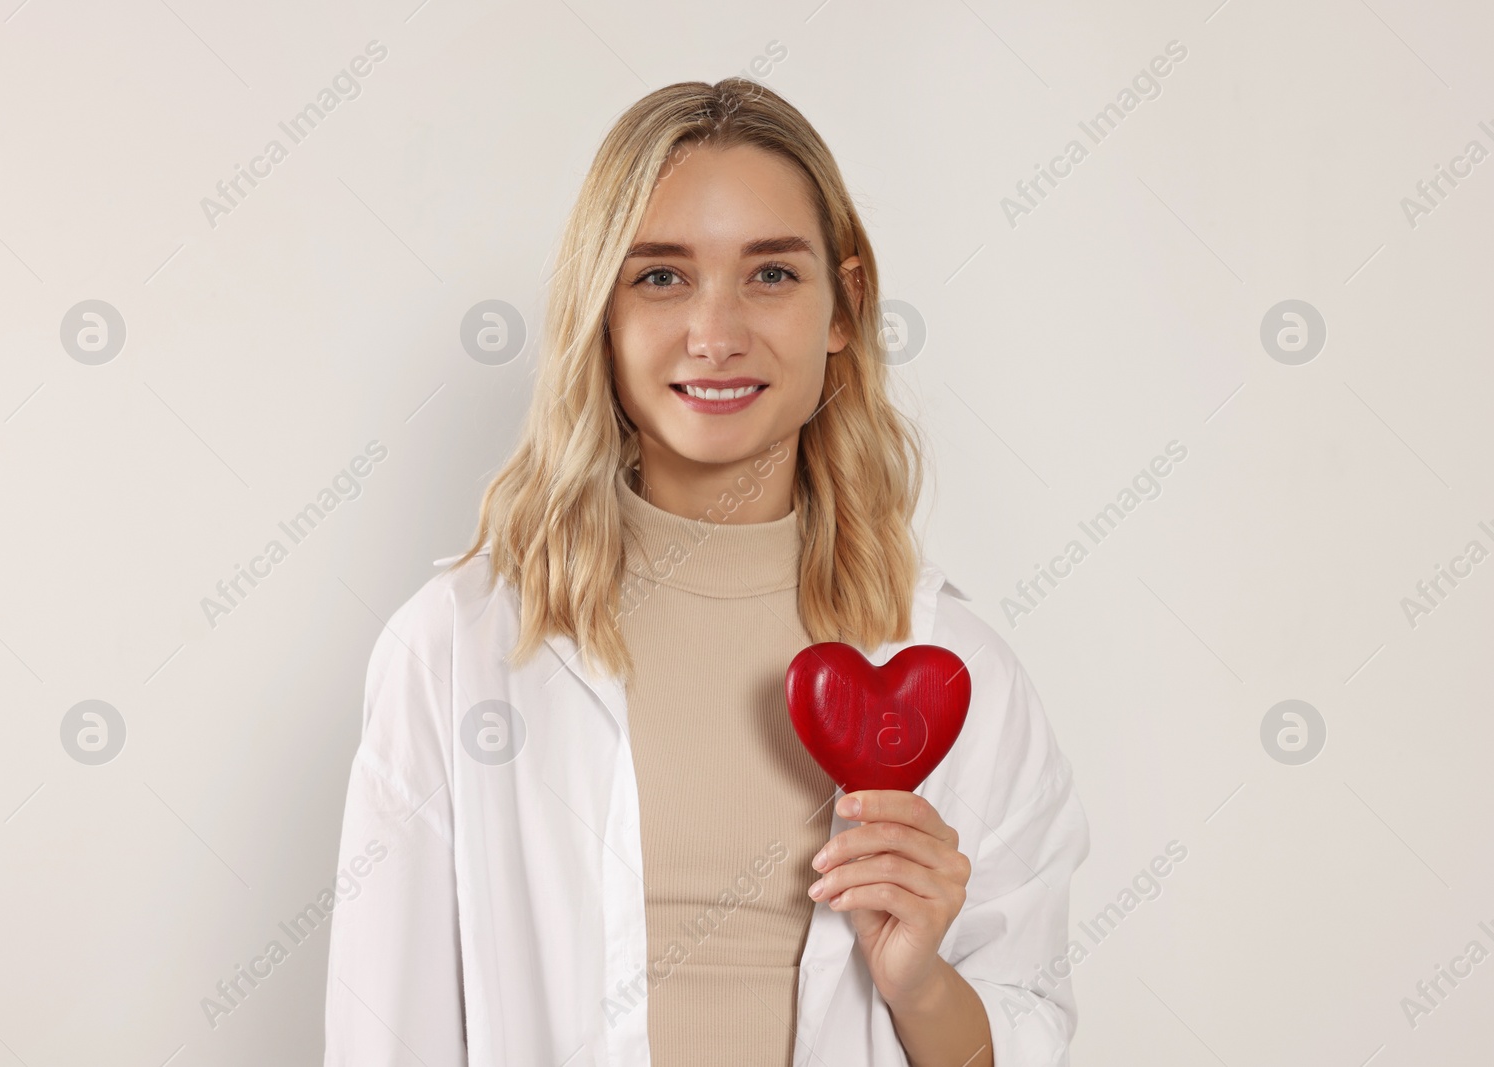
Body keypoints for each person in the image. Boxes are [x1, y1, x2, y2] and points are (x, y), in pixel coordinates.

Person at [323, 76, 1089, 1067]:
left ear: (843, 309)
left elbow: (1027, 1022)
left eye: (770, 275)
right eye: (660, 276)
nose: (717, 333)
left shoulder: (953, 669)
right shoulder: (457, 649)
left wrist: (919, 982)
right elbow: (385, 1030)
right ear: (599, 312)